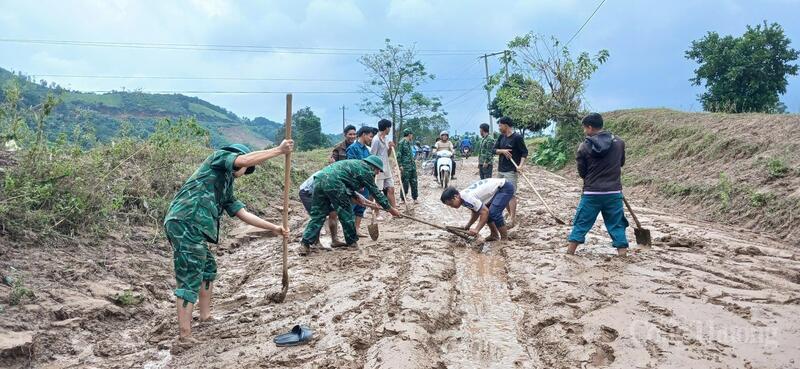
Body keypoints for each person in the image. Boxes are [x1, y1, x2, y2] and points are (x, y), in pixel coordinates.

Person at [164, 140, 293, 345]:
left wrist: (273, 227)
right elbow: (243, 160)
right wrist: (279, 150)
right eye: (245, 169)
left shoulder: (226, 185)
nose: (243, 172)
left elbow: (242, 213)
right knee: (190, 274)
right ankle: (185, 335)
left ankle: (205, 317)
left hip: (193, 226)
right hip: (185, 222)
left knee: (207, 267)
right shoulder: (220, 158)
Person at [301, 156, 402, 249]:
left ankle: (305, 244)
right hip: (334, 182)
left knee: (318, 214)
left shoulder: (355, 164)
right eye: (378, 170)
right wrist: (391, 209)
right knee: (346, 213)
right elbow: (376, 192)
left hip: (319, 180)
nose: (378, 173)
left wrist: (358, 198)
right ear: (373, 167)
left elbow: (346, 184)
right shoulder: (365, 170)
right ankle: (352, 242)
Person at [566, 113, 629, 256]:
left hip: (591, 193)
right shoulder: (619, 143)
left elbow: (582, 172)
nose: (584, 131)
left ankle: (569, 254)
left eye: (584, 128)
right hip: (613, 192)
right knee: (617, 224)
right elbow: (621, 163)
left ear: (589, 127)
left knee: (581, 223)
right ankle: (623, 255)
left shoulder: (583, 147)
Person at [440, 178, 516, 241]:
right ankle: (494, 235)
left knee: (494, 213)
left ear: (456, 196)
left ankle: (504, 239)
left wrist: (477, 229)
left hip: (504, 187)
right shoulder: (462, 198)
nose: (451, 206)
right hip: (496, 190)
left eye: (451, 204)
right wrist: (468, 226)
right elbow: (476, 211)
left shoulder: (467, 197)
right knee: (488, 213)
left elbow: (484, 212)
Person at [493, 116, 528, 226]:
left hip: (511, 171)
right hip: (501, 170)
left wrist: (520, 166)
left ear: (506, 125)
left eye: (500, 125)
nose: (499, 127)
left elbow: (524, 152)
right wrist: (502, 151)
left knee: (511, 194)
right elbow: (493, 150)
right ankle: (509, 213)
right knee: (502, 193)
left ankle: (512, 218)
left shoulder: (517, 137)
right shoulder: (501, 137)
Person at [346, 126, 375, 236]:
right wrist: (356, 182)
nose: (371, 139)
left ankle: (357, 229)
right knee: (352, 206)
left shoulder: (367, 150)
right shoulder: (353, 148)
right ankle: (349, 231)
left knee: (361, 207)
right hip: (356, 184)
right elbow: (350, 167)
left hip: (365, 183)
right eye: (370, 136)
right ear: (363, 134)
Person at [370, 119, 397, 210]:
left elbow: (387, 155)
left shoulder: (386, 139)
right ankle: (376, 213)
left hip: (386, 169)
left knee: (391, 189)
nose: (390, 130)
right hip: (378, 170)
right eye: (389, 128)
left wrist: (390, 148)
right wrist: (374, 170)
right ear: (386, 128)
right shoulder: (376, 140)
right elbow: (372, 156)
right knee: (378, 192)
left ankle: (394, 210)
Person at [397, 128, 418, 203]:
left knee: (414, 181)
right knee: (405, 182)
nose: (412, 136)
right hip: (405, 166)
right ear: (409, 134)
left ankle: (415, 198)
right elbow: (399, 154)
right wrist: (400, 165)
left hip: (412, 165)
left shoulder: (409, 142)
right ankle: (403, 198)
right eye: (411, 134)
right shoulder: (402, 142)